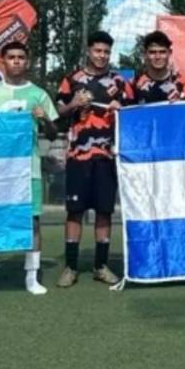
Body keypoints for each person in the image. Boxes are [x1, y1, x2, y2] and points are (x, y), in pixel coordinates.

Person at [0, 41, 58, 298]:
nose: (17, 61)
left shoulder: (38, 94)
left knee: (32, 221)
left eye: (21, 57)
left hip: (28, 169)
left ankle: (31, 278)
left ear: (27, 62)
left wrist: (43, 118)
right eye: (12, 57)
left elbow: (53, 133)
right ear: (2, 61)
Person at [55, 31, 131, 288]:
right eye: (98, 51)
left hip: (106, 157)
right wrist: (74, 103)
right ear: (88, 51)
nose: (102, 56)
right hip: (78, 156)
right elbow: (57, 112)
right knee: (74, 212)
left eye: (106, 52)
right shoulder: (72, 79)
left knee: (104, 212)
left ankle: (100, 266)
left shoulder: (119, 82)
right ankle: (71, 267)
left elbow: (133, 115)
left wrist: (122, 111)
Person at [129, 31, 185, 105]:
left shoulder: (182, 82)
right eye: (152, 52)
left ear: (170, 53)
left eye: (162, 52)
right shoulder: (135, 84)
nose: (157, 57)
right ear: (145, 54)